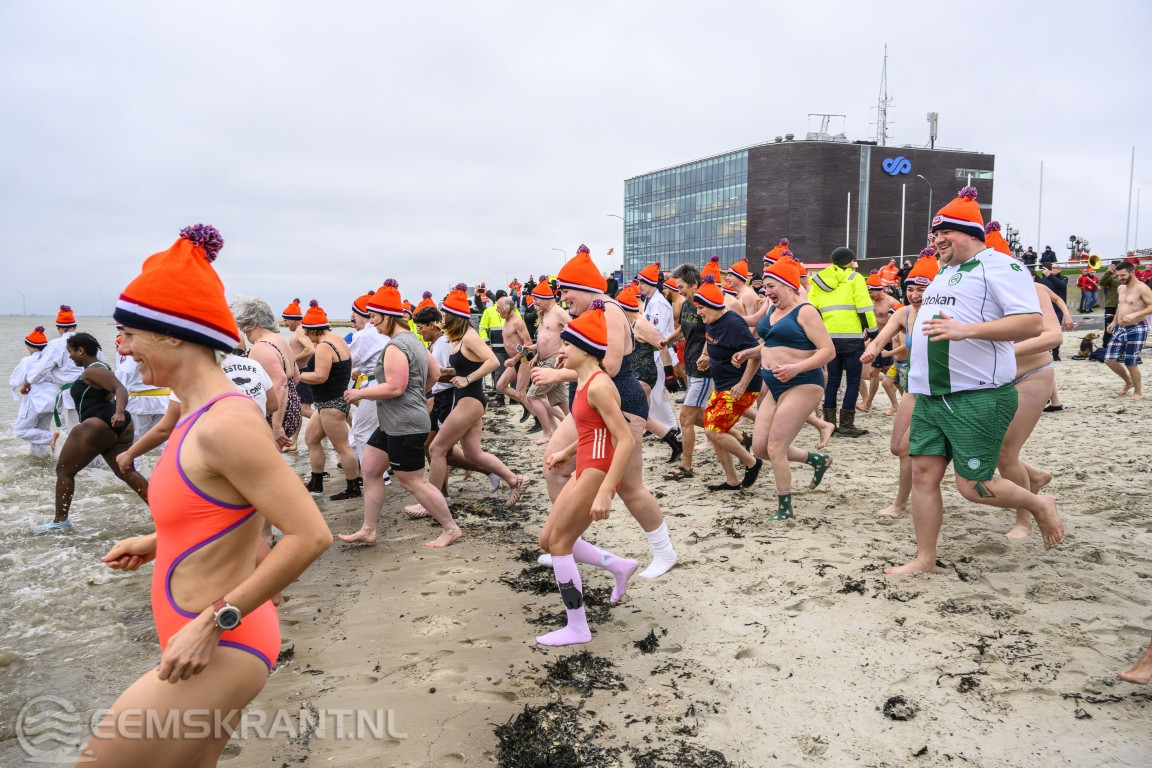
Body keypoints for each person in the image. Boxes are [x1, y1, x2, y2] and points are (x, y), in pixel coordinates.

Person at [92, 224, 330, 765]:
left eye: (129, 333)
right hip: (197, 635)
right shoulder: (199, 415)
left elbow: (309, 534)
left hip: (223, 639)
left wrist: (214, 621)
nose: (121, 348)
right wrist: (159, 539)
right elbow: (231, 511)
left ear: (174, 335)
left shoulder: (225, 423)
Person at [885, 187, 1063, 575]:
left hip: (976, 395)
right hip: (931, 396)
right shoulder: (944, 274)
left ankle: (1038, 504)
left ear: (968, 232)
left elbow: (1031, 323)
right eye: (933, 235)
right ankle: (925, 559)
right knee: (923, 475)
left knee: (973, 488)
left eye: (942, 233)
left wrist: (968, 331)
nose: (936, 242)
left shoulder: (1003, 267)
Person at [535, 245, 677, 578]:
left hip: (621, 403)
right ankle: (566, 542)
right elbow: (591, 354)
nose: (563, 296)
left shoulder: (610, 309)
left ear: (585, 288)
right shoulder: (591, 310)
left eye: (567, 290)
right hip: (588, 405)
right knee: (555, 467)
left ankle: (664, 552)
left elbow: (609, 368)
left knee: (629, 488)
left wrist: (559, 374)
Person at [536, 300, 638, 646]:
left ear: (584, 349)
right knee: (546, 541)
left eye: (567, 343)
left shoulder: (597, 385)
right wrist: (566, 451)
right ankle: (618, 565)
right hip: (586, 463)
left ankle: (577, 626)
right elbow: (594, 430)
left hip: (598, 470)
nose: (561, 349)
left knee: (560, 544)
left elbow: (623, 439)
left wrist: (607, 490)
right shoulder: (585, 381)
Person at [339, 280, 465, 547]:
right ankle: (368, 529)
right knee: (371, 469)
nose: (371, 322)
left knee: (413, 481)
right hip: (393, 421)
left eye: (374, 316)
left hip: (404, 423)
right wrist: (419, 395)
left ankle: (450, 528)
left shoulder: (396, 346)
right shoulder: (415, 340)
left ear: (388, 316)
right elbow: (435, 373)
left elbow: (395, 387)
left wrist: (359, 393)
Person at [736, 256, 834, 520]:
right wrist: (749, 352)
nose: (766, 292)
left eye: (771, 286)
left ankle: (785, 509)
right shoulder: (771, 311)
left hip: (804, 383)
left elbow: (828, 351)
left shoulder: (805, 311)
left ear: (789, 285)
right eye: (764, 287)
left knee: (777, 447)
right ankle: (816, 460)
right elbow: (770, 345)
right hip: (775, 383)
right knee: (760, 448)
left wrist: (796, 369)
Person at [427, 284, 530, 507]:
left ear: (454, 317)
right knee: (473, 454)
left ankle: (432, 502)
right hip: (468, 399)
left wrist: (467, 379)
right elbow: (465, 367)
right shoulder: (460, 338)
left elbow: (493, 361)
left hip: (470, 399)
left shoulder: (470, 336)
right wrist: (449, 374)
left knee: (436, 448)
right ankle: (515, 480)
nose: (441, 319)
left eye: (444, 315)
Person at [39, 333, 150, 532]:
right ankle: (164, 511)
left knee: (64, 471)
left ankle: (60, 521)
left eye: (71, 352)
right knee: (126, 472)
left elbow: (120, 389)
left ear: (81, 350)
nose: (71, 356)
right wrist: (118, 414)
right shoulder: (102, 368)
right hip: (117, 425)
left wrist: (119, 412)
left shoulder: (92, 370)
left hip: (99, 423)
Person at [861, 249, 939, 517]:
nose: (915, 295)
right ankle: (902, 503)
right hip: (916, 387)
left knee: (1001, 457)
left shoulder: (944, 313)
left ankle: (900, 505)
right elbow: (880, 338)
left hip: (943, 391)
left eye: (921, 290)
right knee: (897, 447)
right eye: (911, 289)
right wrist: (871, 350)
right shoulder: (904, 312)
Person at [693, 274, 764, 491]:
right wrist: (706, 356)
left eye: (701, 308)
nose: (698, 313)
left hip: (742, 385)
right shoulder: (712, 321)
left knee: (714, 430)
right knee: (711, 428)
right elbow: (710, 339)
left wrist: (742, 384)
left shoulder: (733, 323)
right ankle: (732, 480)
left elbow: (756, 355)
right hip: (723, 383)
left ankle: (752, 462)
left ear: (713, 306)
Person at [809, 247, 877, 437]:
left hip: (828, 338)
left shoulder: (818, 281)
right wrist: (872, 331)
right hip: (852, 337)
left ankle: (829, 424)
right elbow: (864, 307)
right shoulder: (854, 278)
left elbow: (812, 310)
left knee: (832, 381)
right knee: (853, 381)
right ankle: (847, 425)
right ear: (848, 261)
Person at [297, 300, 361, 500]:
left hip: (331, 404)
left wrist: (295, 376)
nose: (307, 337)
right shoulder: (338, 339)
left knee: (343, 447)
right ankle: (316, 483)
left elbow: (320, 376)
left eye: (307, 332)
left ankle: (352, 488)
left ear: (312, 330)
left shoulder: (324, 346)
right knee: (311, 439)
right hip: (330, 401)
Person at [615, 285, 683, 462]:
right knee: (641, 416)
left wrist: (669, 374)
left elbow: (663, 345)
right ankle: (674, 443)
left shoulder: (641, 325)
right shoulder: (632, 323)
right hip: (637, 372)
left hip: (646, 374)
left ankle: (632, 451)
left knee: (636, 415)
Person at [661, 263, 713, 480]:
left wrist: (706, 354)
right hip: (691, 365)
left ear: (694, 283)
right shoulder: (687, 306)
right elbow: (683, 328)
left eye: (681, 286)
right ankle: (737, 438)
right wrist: (667, 340)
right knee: (699, 416)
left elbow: (713, 331)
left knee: (685, 417)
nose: (678, 290)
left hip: (704, 369)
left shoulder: (707, 305)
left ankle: (686, 467)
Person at [234, 295, 301, 450]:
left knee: (264, 459)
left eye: (243, 324)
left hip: (276, 414)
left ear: (253, 321)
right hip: (291, 409)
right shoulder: (280, 340)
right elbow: (295, 377)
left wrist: (277, 426)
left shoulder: (261, 347)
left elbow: (280, 383)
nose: (243, 329)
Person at [18, 304, 92, 432]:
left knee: (75, 433)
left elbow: (39, 369)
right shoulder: (89, 340)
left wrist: (27, 383)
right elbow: (102, 366)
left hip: (72, 395)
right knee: (92, 431)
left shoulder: (56, 345)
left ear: (60, 328)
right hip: (93, 392)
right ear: (75, 326)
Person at [524, 280, 572, 443]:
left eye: (536, 299)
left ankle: (547, 433)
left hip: (554, 362)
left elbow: (574, 331)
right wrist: (536, 355)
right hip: (545, 361)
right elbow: (547, 339)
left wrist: (566, 352)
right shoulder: (545, 314)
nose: (534, 302)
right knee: (561, 402)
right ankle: (576, 431)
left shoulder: (559, 312)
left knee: (532, 396)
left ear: (546, 298)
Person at [636, 262, 678, 434]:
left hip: (660, 351)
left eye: (642, 283)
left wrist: (640, 335)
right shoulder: (650, 300)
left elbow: (657, 331)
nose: (639, 286)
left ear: (651, 283)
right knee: (652, 392)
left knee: (657, 393)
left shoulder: (658, 302)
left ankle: (672, 427)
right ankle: (657, 426)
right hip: (654, 351)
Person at [347, 289, 387, 460]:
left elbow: (347, 361)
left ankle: (375, 474)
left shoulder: (364, 335)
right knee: (373, 429)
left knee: (361, 430)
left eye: (354, 312)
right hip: (387, 384)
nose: (352, 317)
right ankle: (376, 470)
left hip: (376, 385)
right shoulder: (381, 333)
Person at [1105, 260, 1152, 396]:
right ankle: (1128, 381)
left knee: (1131, 362)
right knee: (1109, 359)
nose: (1120, 278)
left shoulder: (1142, 288)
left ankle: (1138, 392)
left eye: (1123, 275)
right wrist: (1114, 322)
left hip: (1137, 327)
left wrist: (1135, 315)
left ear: (1132, 272)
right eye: (1118, 275)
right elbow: (1121, 306)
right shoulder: (1121, 288)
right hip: (1120, 327)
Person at [859, 272, 902, 415]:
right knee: (890, 375)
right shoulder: (870, 302)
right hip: (875, 340)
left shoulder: (892, 302)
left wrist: (896, 341)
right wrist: (866, 331)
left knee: (873, 372)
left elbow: (900, 323)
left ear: (879, 290)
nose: (870, 295)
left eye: (872, 292)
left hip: (887, 342)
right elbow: (871, 319)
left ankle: (867, 403)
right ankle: (900, 402)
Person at [11, 326, 57, 457]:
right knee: (40, 431)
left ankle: (50, 437)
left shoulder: (28, 360)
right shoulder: (50, 360)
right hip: (51, 397)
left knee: (20, 430)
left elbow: (17, 379)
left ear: (31, 347)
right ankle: (40, 458)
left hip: (35, 398)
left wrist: (15, 384)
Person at [282, 298, 315, 448]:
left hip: (304, 372)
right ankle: (293, 442)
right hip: (301, 372)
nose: (284, 324)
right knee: (298, 407)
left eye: (286, 321)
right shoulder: (299, 330)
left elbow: (310, 349)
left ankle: (326, 423)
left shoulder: (300, 330)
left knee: (303, 409)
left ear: (293, 319)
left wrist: (292, 360)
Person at [478, 292, 510, 405]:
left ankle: (514, 397)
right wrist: (487, 343)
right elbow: (482, 328)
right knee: (499, 372)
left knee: (515, 371)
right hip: (497, 348)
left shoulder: (512, 310)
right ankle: (500, 396)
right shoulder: (489, 311)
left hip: (511, 347)